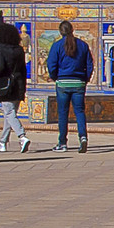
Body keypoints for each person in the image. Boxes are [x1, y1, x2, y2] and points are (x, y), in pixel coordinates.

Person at [45, 21, 92, 153]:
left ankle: (62, 143)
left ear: (60, 32)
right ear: (72, 30)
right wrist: (85, 78)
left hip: (63, 82)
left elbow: (51, 64)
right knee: (80, 111)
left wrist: (55, 77)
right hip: (79, 82)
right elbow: (89, 64)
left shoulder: (57, 46)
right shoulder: (83, 45)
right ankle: (83, 137)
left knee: (63, 113)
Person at [0, 21, 30, 153]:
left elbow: (1, 67)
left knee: (9, 113)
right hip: (18, 84)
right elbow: (23, 70)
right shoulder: (19, 50)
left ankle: (22, 136)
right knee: (10, 114)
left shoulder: (1, 49)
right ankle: (2, 142)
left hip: (6, 85)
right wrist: (23, 87)